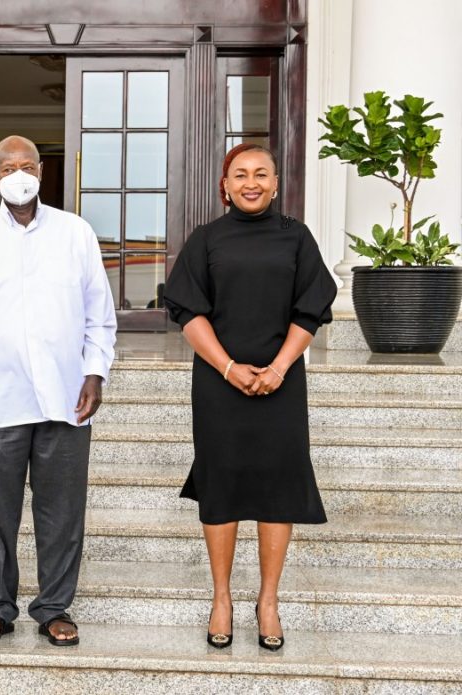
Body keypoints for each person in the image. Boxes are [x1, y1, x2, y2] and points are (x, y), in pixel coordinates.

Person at [0, 135, 117, 647]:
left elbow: (99, 318)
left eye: (27, 164)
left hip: (65, 398)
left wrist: (95, 374)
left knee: (62, 511)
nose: (19, 173)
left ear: (41, 171)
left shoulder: (76, 234)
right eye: (7, 166)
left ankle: (54, 606)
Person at [163, 143, 337, 651]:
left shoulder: (296, 238)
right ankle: (221, 598)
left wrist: (279, 368)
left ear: (277, 183)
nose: (251, 182)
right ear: (225, 185)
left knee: (277, 485)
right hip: (219, 385)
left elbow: (311, 310)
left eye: (261, 174)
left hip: (281, 384)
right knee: (221, 484)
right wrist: (229, 367)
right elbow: (188, 313)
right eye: (240, 175)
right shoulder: (206, 240)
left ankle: (268, 601)